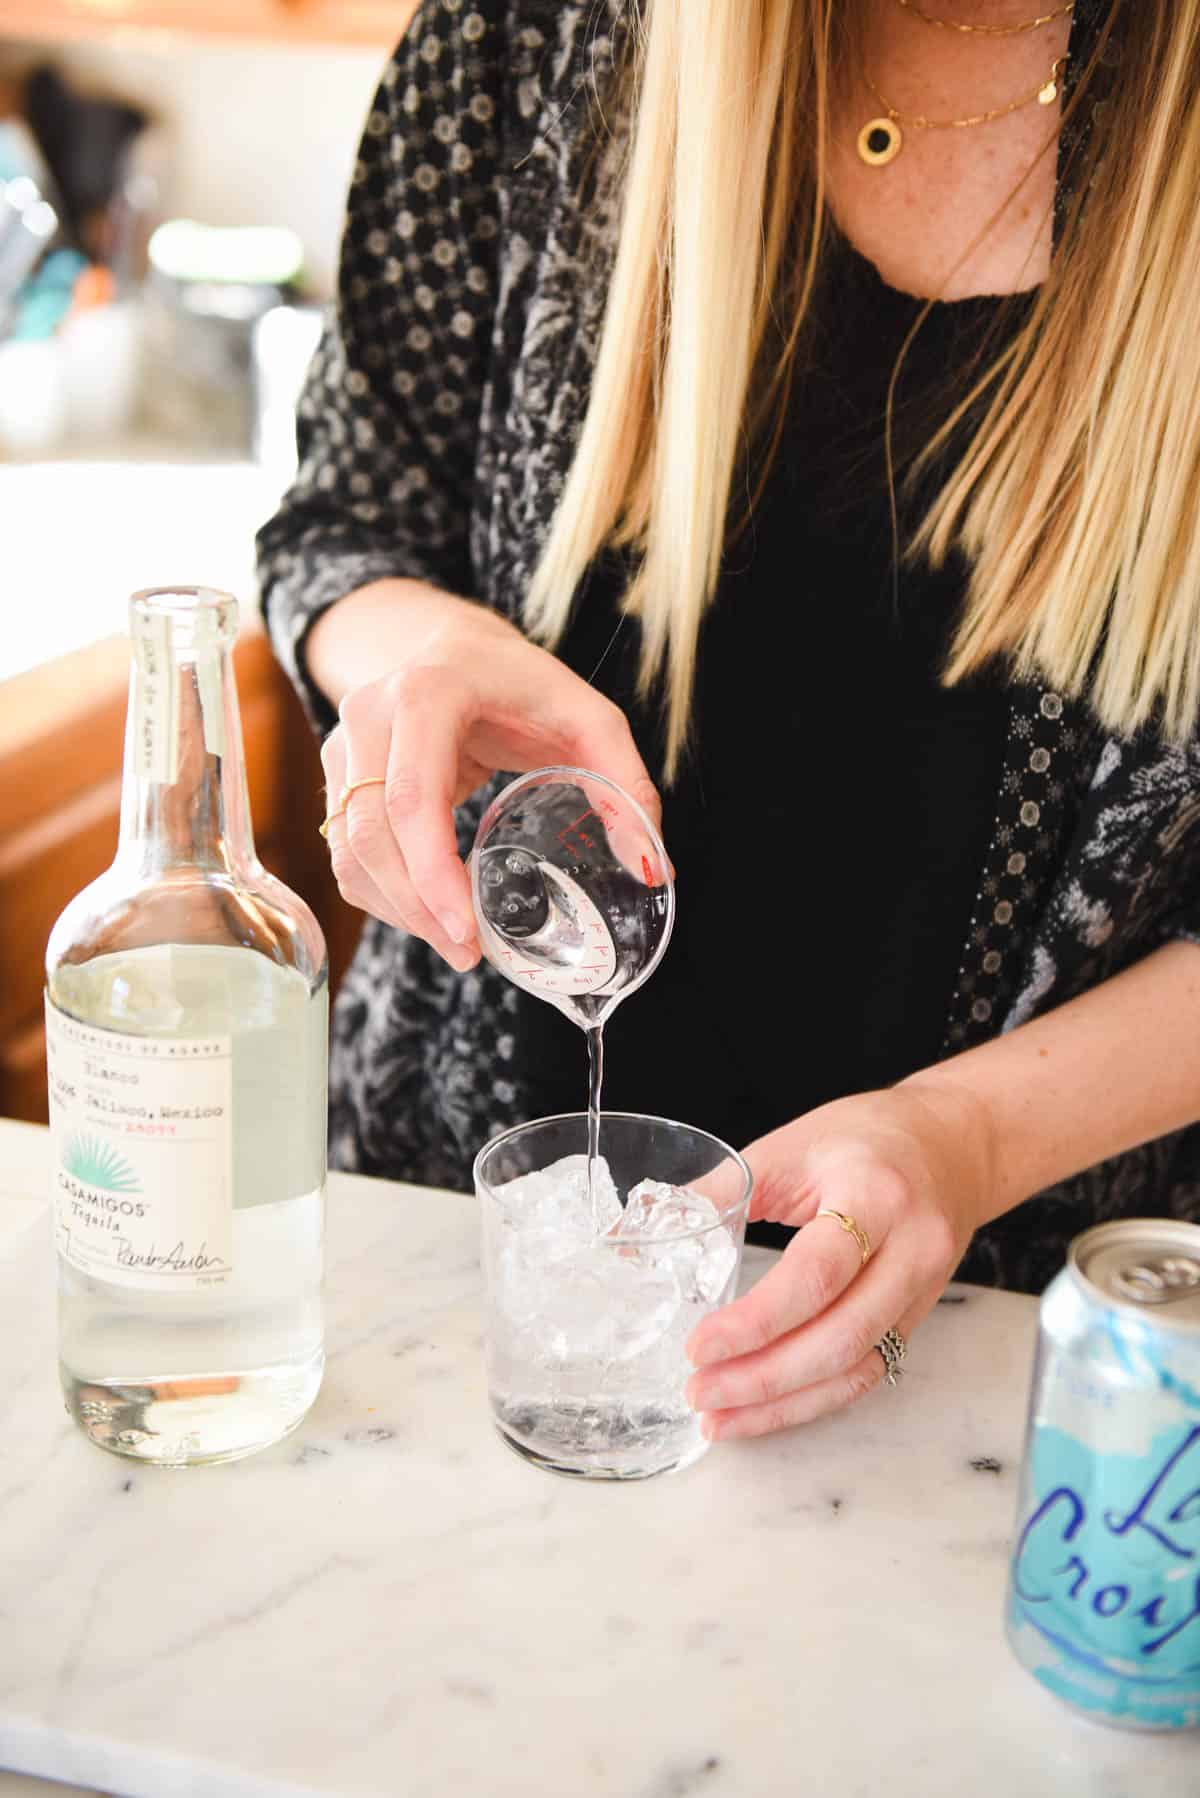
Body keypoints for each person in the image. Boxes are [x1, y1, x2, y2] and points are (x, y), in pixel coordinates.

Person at [258, 0, 1200, 1441]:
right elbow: (348, 516)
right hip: (439, 1295)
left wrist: (969, 1134)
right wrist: (423, 655)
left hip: (1007, 1381)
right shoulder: (529, 42)